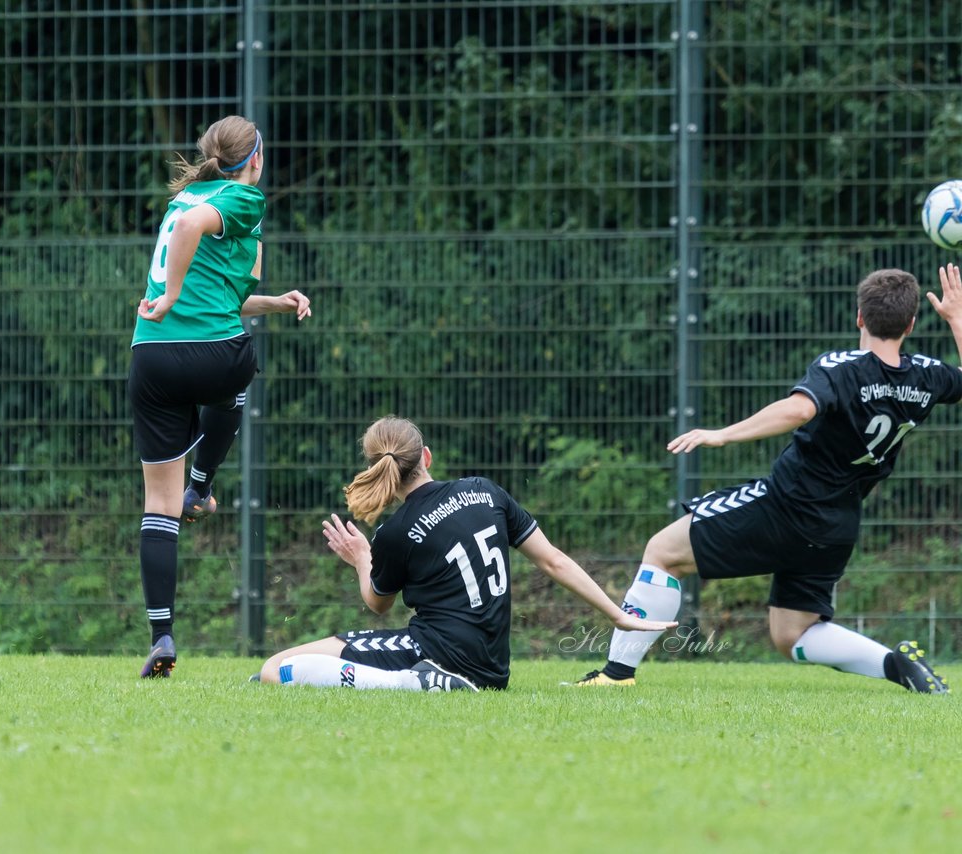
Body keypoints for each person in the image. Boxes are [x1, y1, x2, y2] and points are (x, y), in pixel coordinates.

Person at [573, 264, 962, 693]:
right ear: (910, 324)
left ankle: (616, 675)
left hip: (785, 507)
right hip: (837, 524)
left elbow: (799, 409)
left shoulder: (840, 367)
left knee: (662, 552)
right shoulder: (926, 375)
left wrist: (722, 434)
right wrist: (957, 320)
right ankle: (895, 665)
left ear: (859, 317)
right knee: (790, 634)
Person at [256, 416, 676, 691]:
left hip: (439, 654)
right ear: (425, 457)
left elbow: (377, 603)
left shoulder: (395, 531)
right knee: (283, 669)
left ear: (377, 469)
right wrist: (616, 615)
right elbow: (554, 560)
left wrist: (361, 557)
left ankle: (419, 684)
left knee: (275, 669)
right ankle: (428, 679)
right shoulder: (484, 490)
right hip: (493, 668)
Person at [131, 115, 311, 679]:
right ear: (254, 158)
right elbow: (190, 245)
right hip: (212, 356)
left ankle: (162, 637)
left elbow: (221, 296)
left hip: (153, 357)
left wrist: (273, 302)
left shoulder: (185, 198)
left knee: (157, 507)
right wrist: (175, 294)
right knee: (232, 378)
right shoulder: (242, 197)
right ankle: (202, 486)